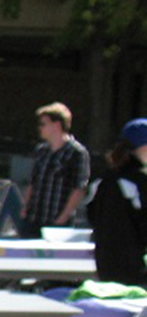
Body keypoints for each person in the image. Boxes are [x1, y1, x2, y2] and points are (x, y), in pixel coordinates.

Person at [87, 118, 147, 287]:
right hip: (133, 269)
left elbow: (91, 215)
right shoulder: (138, 181)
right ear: (142, 146)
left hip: (105, 264)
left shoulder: (106, 179)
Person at [21, 102, 91, 238]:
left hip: (57, 222)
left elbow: (79, 188)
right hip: (33, 219)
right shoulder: (41, 151)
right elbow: (33, 182)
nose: (40, 128)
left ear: (57, 125)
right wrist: (25, 207)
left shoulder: (77, 153)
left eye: (43, 124)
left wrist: (62, 219)